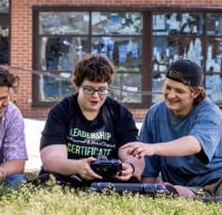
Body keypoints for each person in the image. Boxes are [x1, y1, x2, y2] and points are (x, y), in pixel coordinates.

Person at [122, 59, 222, 201]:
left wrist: (152, 148)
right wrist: (146, 200)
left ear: (195, 93)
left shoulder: (209, 111)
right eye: (168, 87)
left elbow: (194, 144)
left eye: (179, 91)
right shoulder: (154, 114)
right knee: (165, 193)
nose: (170, 95)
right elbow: (149, 171)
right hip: (187, 187)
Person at [36, 54, 144, 188]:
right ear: (77, 86)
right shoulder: (61, 111)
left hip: (108, 179)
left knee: (134, 185)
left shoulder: (120, 113)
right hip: (70, 175)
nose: (96, 96)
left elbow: (135, 156)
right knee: (47, 180)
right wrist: (78, 166)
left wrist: (130, 167)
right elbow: (51, 161)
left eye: (102, 90)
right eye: (89, 89)